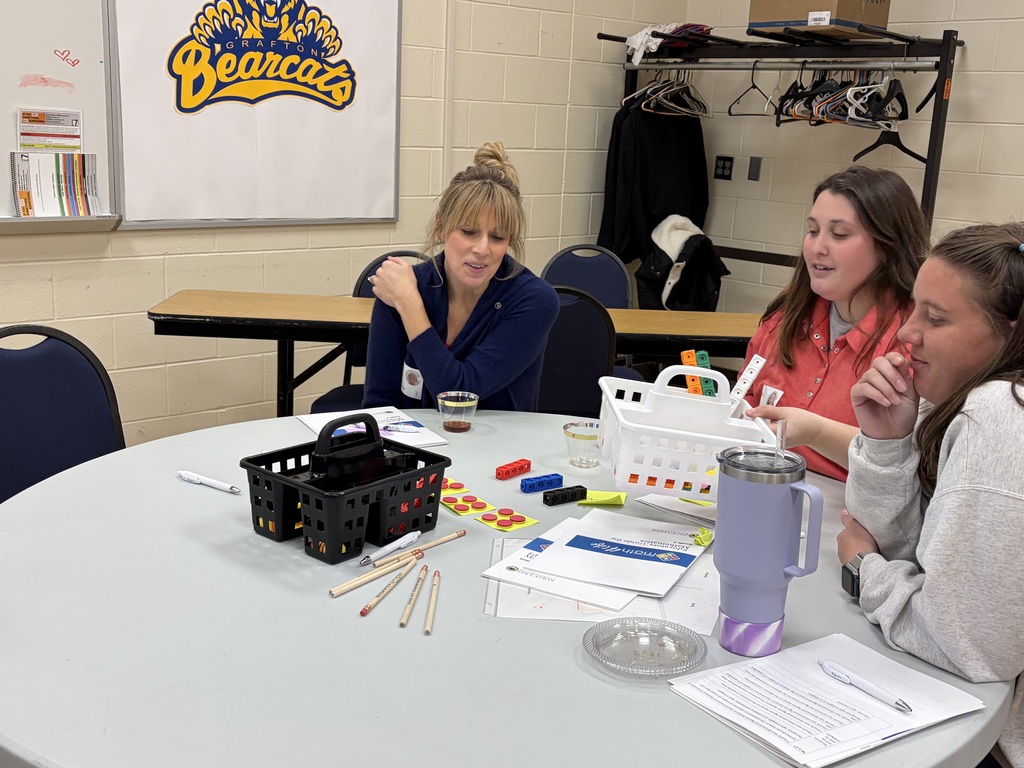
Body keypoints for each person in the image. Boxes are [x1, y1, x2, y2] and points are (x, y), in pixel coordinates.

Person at [839, 223, 1024, 768]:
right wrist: (888, 440)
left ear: (1012, 335)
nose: (906, 333)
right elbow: (907, 553)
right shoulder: (957, 400)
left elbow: (962, 648)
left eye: (935, 318)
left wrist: (863, 571)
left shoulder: (1003, 414)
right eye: (914, 308)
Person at [742, 166, 930, 480]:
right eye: (813, 230)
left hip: (853, 513)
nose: (818, 248)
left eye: (839, 234)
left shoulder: (914, 338)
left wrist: (816, 432)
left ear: (886, 246)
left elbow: (913, 464)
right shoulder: (788, 314)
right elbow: (745, 400)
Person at [362, 142, 559, 411]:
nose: (482, 249)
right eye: (468, 232)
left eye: (498, 237)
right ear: (441, 228)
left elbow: (459, 396)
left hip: (503, 449)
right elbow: (379, 404)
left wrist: (410, 305)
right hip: (416, 446)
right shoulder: (403, 287)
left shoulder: (533, 299)